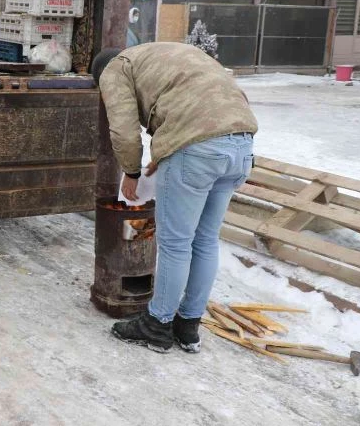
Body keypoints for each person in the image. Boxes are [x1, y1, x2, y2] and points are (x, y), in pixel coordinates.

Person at [92, 42, 258, 353]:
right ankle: (188, 325)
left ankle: (157, 324)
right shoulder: (171, 54)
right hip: (241, 147)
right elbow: (217, 104)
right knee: (206, 240)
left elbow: (125, 130)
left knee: (174, 243)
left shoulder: (115, 68)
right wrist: (167, 150)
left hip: (198, 150)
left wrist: (130, 172)